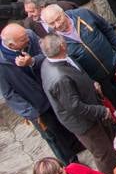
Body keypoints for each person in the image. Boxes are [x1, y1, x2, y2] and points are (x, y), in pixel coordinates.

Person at [0, 24, 82, 165]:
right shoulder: (2, 62)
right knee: (53, 136)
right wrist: (30, 112)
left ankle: (78, 145)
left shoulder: (30, 35)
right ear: (12, 44)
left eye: (26, 35)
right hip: (36, 106)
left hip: (52, 91)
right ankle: (71, 164)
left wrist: (32, 61)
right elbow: (9, 94)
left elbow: (47, 54)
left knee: (67, 122)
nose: (27, 39)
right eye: (23, 39)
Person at [38, 34, 116, 174]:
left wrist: (91, 83)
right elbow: (75, 106)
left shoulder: (57, 59)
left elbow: (77, 73)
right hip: (85, 124)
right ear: (62, 46)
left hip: (90, 110)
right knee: (104, 155)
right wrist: (100, 111)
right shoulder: (59, 78)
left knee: (110, 145)